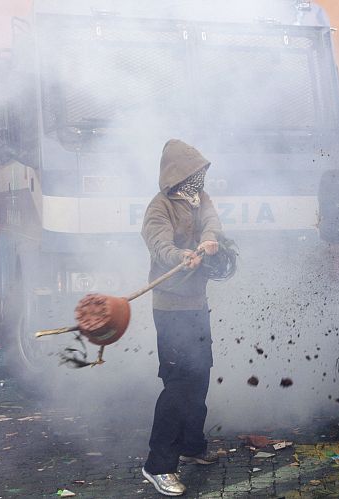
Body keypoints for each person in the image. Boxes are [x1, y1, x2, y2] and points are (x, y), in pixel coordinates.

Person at [140, 139, 223, 496]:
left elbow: (211, 221)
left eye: (201, 174)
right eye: (193, 175)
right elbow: (158, 243)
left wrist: (209, 240)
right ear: (178, 175)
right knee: (178, 383)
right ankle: (158, 465)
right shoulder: (158, 208)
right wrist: (179, 255)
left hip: (196, 303)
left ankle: (192, 445)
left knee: (200, 375)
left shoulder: (199, 199)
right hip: (170, 309)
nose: (198, 181)